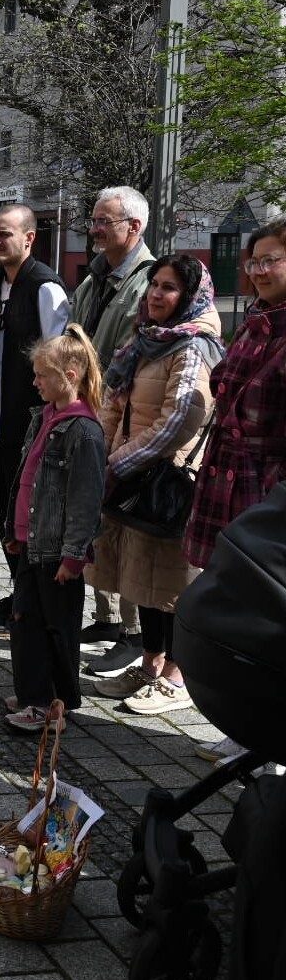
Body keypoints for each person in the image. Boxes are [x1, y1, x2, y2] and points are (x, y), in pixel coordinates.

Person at [89, 254, 224, 714]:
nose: (156, 295)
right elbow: (114, 403)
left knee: (171, 583)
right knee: (141, 578)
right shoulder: (144, 340)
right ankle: (150, 662)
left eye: (168, 288)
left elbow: (179, 421)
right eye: (154, 286)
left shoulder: (193, 347)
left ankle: (177, 675)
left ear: (189, 296)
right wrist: (102, 455)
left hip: (167, 479)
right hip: (131, 476)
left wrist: (119, 464)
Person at [182, 222, 286, 760]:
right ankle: (249, 731)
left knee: (267, 618)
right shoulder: (255, 323)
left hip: (269, 490)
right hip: (229, 472)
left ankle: (269, 739)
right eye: (255, 261)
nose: (259, 270)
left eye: (272, 260)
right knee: (236, 603)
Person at [1, 326, 106, 731]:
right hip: (32, 542)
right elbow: (25, 480)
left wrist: (74, 556)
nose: (35, 381)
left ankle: (50, 704)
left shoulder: (83, 431)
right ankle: (34, 692)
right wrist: (14, 527)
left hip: (58, 552)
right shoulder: (44, 416)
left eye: (43, 374)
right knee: (24, 619)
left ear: (71, 374)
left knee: (55, 629)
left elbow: (85, 502)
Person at [71, 186, 158, 666]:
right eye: (94, 220)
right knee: (94, 522)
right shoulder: (93, 279)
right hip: (83, 414)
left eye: (105, 221)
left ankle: (132, 630)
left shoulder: (148, 281)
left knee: (120, 523)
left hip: (121, 420)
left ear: (134, 226)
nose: (95, 228)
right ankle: (104, 616)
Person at [0, 204, 71, 636]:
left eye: (6, 234)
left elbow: (60, 357)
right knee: (1, 510)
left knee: (28, 516)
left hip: (28, 423)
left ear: (29, 238)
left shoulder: (44, 287)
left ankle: (33, 604)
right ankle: (19, 591)